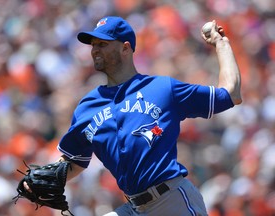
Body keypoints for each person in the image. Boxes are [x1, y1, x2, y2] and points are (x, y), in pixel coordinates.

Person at [25, 16, 242, 215]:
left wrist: (222, 45)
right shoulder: (88, 106)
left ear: (125, 48)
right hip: (134, 207)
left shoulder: (162, 89)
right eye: (93, 45)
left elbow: (230, 94)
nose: (94, 50)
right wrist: (47, 175)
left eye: (102, 44)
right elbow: (74, 161)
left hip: (171, 200)